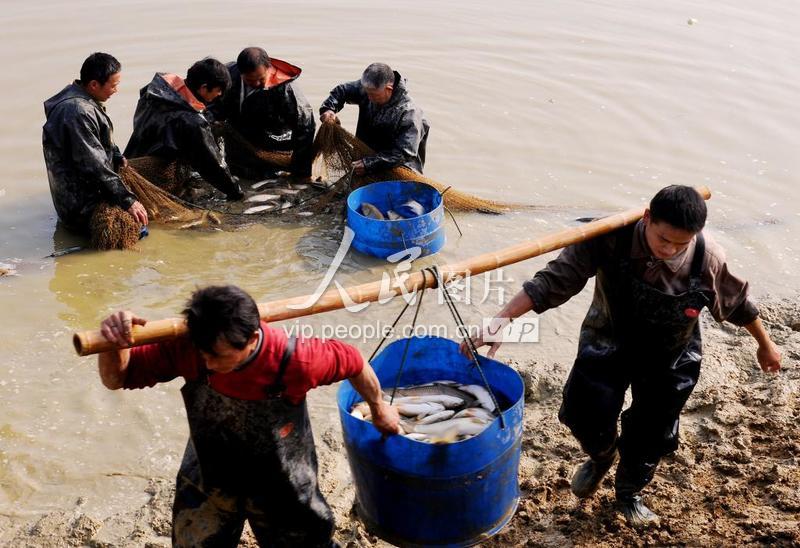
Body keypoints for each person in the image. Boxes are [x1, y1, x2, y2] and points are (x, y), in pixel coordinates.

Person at [461, 185, 781, 528]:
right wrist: (501, 321)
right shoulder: (608, 237)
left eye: (680, 244)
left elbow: (738, 305)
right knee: (582, 414)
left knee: (652, 435)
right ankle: (601, 456)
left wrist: (765, 344)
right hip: (607, 339)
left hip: (670, 358)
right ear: (647, 218)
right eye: (663, 239)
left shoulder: (707, 259)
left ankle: (629, 494)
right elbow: (553, 281)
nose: (669, 250)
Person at [97, 285, 399, 547]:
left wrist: (379, 407)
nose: (209, 363)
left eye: (219, 356)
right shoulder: (190, 345)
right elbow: (116, 379)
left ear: (253, 339)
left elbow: (355, 362)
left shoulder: (299, 360)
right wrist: (114, 344)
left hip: (282, 480)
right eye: (204, 354)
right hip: (210, 471)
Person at [43, 52, 148, 233]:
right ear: (93, 85)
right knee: (139, 230)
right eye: (113, 86)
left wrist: (115, 154)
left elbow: (98, 140)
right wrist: (127, 201)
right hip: (80, 207)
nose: (116, 90)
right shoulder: (78, 112)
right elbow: (94, 164)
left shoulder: (82, 98)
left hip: (78, 193)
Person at [124, 58, 244, 200]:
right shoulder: (191, 122)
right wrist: (236, 192)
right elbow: (212, 166)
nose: (219, 95)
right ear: (204, 88)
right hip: (156, 173)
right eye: (218, 90)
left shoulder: (156, 88)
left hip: (133, 156)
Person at [214, 47, 315, 177]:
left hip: (273, 140)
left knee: (271, 175)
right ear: (240, 72)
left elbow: (305, 127)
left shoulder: (286, 89)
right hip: (239, 138)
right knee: (238, 173)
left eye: (261, 79)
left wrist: (302, 173)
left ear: (269, 68)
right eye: (250, 80)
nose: (256, 83)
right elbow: (213, 103)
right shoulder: (227, 76)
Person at [319, 62, 430, 176]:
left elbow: (403, 154)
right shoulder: (369, 89)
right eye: (367, 93)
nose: (368, 98)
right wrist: (328, 109)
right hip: (365, 159)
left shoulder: (410, 114)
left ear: (388, 88)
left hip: (399, 170)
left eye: (373, 95)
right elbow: (342, 91)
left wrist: (369, 164)